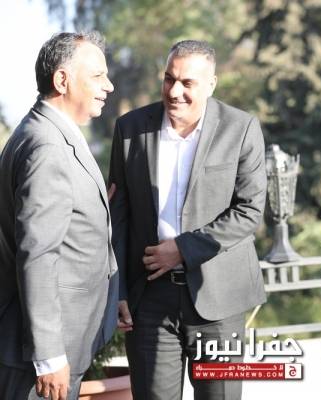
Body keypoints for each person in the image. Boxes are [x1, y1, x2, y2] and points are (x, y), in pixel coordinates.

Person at [108, 39, 267, 400]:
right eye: (169, 79)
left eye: (187, 83)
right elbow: (119, 214)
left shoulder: (241, 128)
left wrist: (182, 249)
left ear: (211, 84)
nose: (174, 91)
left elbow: (248, 210)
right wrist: (117, 290)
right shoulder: (130, 128)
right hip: (149, 298)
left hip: (219, 300)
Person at [0, 32, 118, 400]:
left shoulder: (47, 131)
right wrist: (49, 356)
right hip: (40, 357)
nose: (109, 86)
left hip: (56, 343)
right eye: (98, 76)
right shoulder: (48, 146)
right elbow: (38, 254)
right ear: (62, 80)